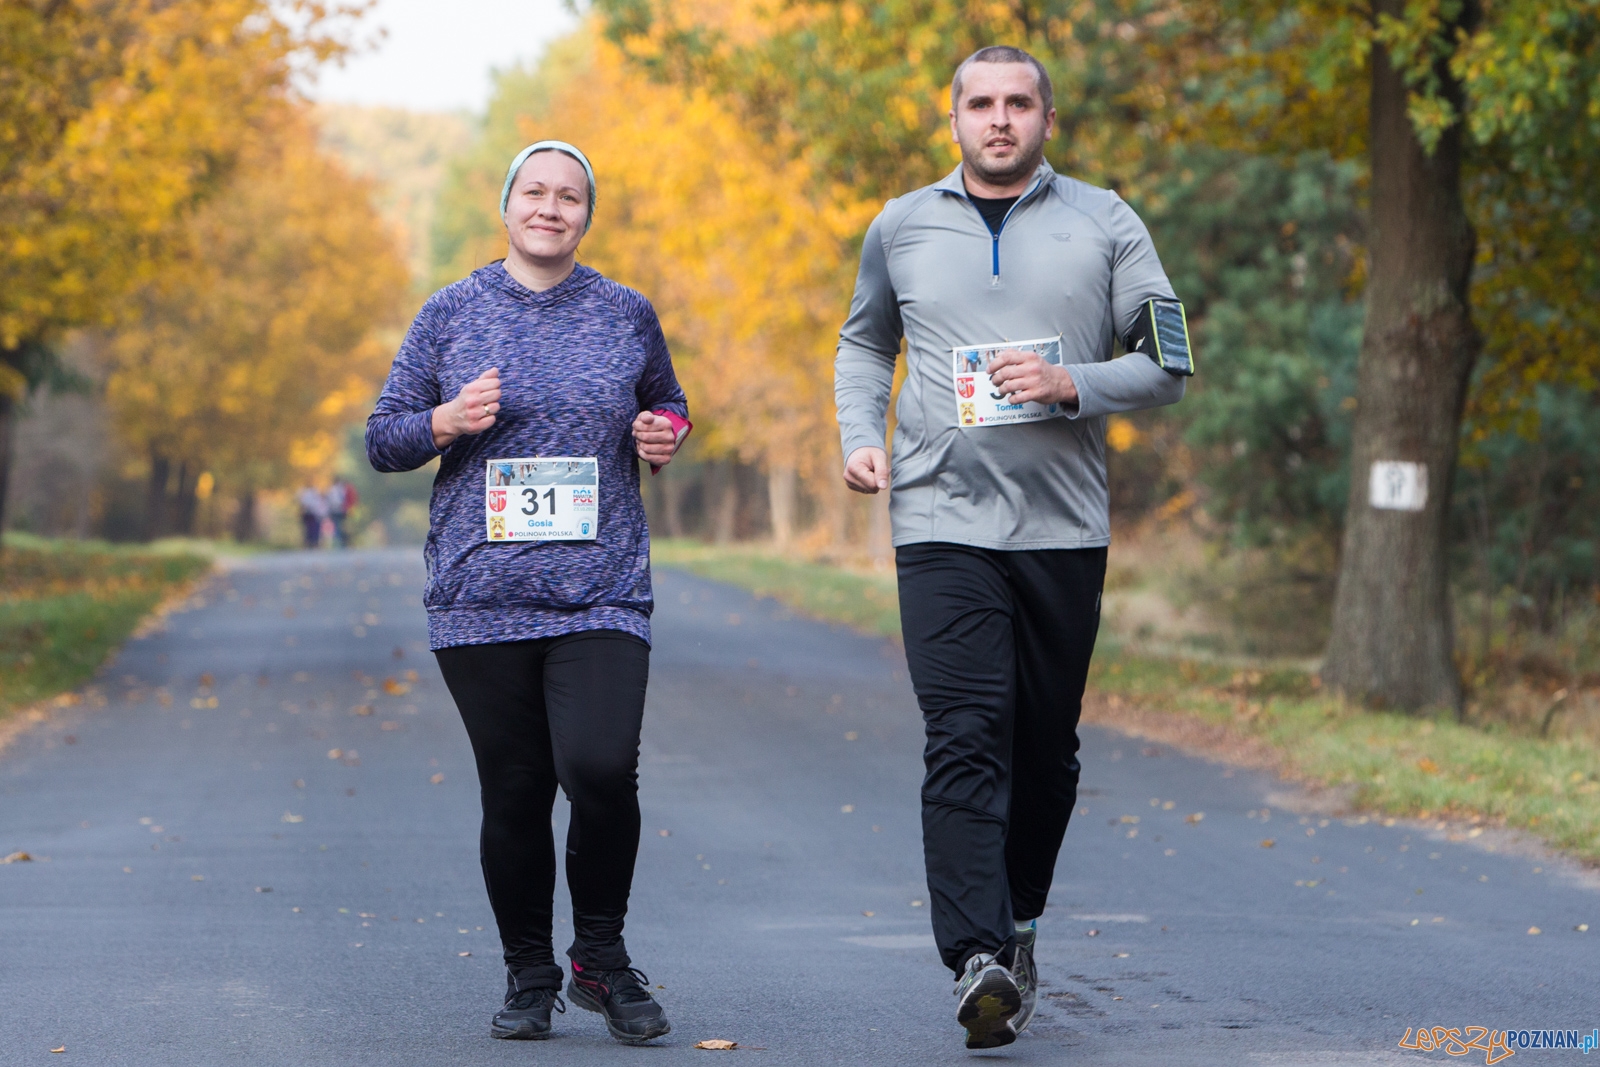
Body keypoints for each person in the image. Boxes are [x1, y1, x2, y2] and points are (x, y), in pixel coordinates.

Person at [834, 46, 1189, 1049]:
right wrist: (860, 435)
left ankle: (1019, 922)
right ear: (953, 118)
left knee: (1044, 751)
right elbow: (864, 341)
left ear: (1046, 119)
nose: (999, 119)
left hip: (1062, 528)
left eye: (1018, 103)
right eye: (981, 103)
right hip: (938, 520)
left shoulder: (1106, 221)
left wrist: (1075, 382)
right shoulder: (901, 224)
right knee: (964, 732)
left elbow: (1167, 362)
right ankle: (976, 956)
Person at [365, 139, 691, 1045]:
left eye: (570, 196)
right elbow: (383, 437)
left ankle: (601, 957)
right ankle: (529, 971)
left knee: (600, 767)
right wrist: (444, 420)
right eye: (535, 193)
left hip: (602, 590)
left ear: (588, 215)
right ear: (506, 207)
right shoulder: (450, 313)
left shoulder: (626, 312)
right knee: (515, 790)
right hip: (481, 594)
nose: (551, 208)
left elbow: (670, 403)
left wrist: (665, 430)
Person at [326, 477, 356, 548]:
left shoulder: (334, 489)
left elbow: (331, 500)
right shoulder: (339, 489)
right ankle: (340, 542)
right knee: (340, 526)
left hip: (338, 510)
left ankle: (340, 541)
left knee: (339, 526)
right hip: (340, 510)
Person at [296, 483, 328, 549]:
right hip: (311, 513)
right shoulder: (312, 492)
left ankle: (311, 542)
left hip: (310, 513)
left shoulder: (305, 492)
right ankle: (312, 542)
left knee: (311, 528)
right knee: (312, 528)